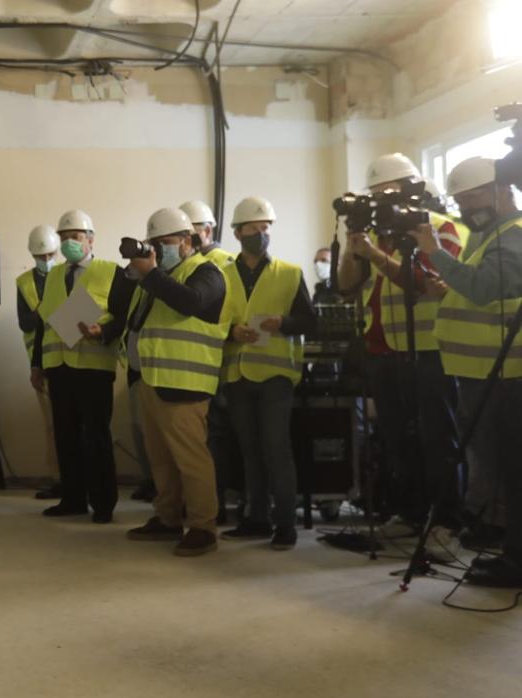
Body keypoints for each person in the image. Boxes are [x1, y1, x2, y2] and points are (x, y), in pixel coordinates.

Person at [336, 153, 467, 548]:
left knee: (437, 438)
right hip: (385, 349)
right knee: (397, 438)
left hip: (431, 350)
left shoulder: (439, 229)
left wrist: (374, 254)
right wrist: (351, 246)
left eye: (387, 194)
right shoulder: (377, 237)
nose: (380, 204)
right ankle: (409, 513)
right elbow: (346, 287)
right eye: (374, 196)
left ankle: (447, 521)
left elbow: (425, 283)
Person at [415, 156, 522, 585]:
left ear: (499, 191)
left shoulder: (512, 237)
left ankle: (515, 558)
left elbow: (484, 289)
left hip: (506, 374)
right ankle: (505, 546)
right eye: (457, 200)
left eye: (470, 198)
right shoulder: (489, 234)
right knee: (495, 467)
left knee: (509, 469)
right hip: (480, 370)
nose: (462, 208)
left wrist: (434, 255)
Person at [124, 208, 229, 556]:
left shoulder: (207, 272)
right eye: (153, 244)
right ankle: (167, 517)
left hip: (186, 382)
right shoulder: (157, 278)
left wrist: (151, 273)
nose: (157, 250)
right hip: (153, 380)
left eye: (164, 242)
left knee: (191, 458)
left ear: (187, 241)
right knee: (160, 459)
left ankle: (203, 526)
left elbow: (191, 302)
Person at [218, 197, 315, 550]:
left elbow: (310, 320)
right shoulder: (223, 274)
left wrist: (284, 323)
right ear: (237, 232)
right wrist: (232, 331)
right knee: (249, 451)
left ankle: (285, 524)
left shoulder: (290, 273)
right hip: (238, 374)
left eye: (266, 228)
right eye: (254, 228)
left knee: (276, 449)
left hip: (275, 376)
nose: (261, 233)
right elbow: (214, 319)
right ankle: (255, 518)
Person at [35, 209, 135, 523]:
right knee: (65, 435)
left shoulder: (112, 272)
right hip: (58, 366)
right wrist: (36, 364)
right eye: (63, 239)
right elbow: (43, 322)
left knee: (96, 436)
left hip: (93, 367)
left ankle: (104, 503)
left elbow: (125, 316)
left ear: (91, 240)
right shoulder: (53, 275)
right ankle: (73, 498)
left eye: (75, 237)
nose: (68, 244)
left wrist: (102, 331)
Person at [181, 199, 239, 521]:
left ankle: (213, 508)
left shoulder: (220, 263)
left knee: (214, 438)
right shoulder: (188, 263)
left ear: (208, 229)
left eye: (191, 232)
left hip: (216, 360)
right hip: (194, 363)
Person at [16, 225, 63, 500]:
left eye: (49, 255)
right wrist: (48, 310)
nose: (45, 260)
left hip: (71, 359)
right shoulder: (24, 282)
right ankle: (59, 478)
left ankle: (81, 478)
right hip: (41, 362)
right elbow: (25, 323)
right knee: (52, 425)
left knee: (74, 424)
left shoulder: (68, 275)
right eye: (40, 256)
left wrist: (42, 313)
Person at [181, 200, 235, 268]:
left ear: (207, 231)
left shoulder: (225, 262)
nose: (182, 240)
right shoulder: (184, 260)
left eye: (188, 232)